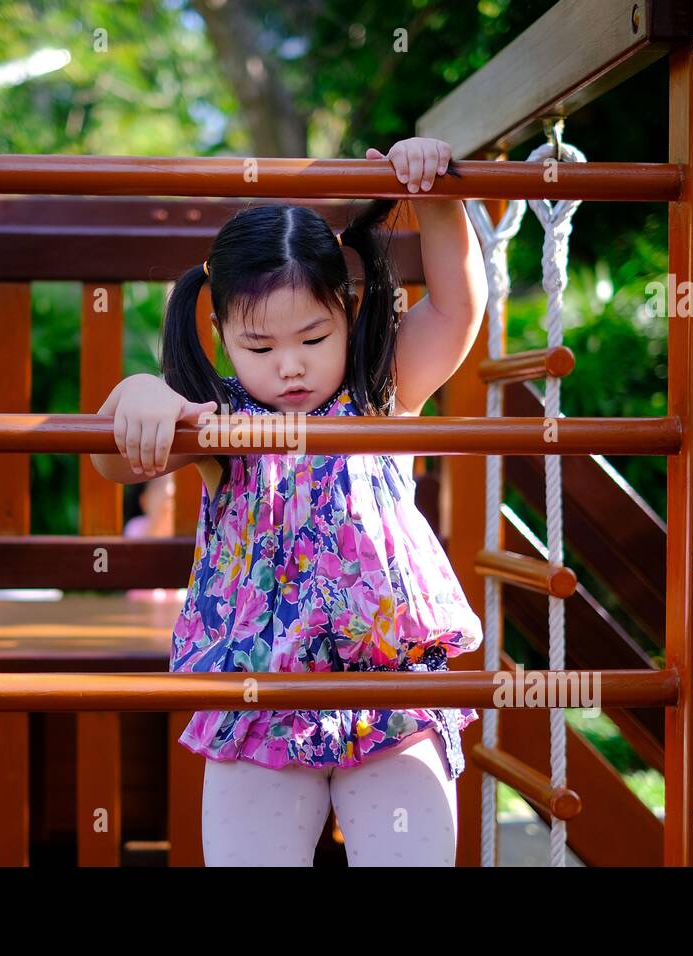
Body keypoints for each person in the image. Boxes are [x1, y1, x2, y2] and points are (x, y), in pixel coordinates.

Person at [90, 137, 487, 866]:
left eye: (313, 335)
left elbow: (458, 310)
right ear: (221, 337)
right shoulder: (218, 421)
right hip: (258, 693)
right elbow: (112, 460)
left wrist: (437, 200)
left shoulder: (381, 393)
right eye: (261, 348)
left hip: (389, 689)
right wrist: (140, 397)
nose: (292, 365)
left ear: (349, 309)